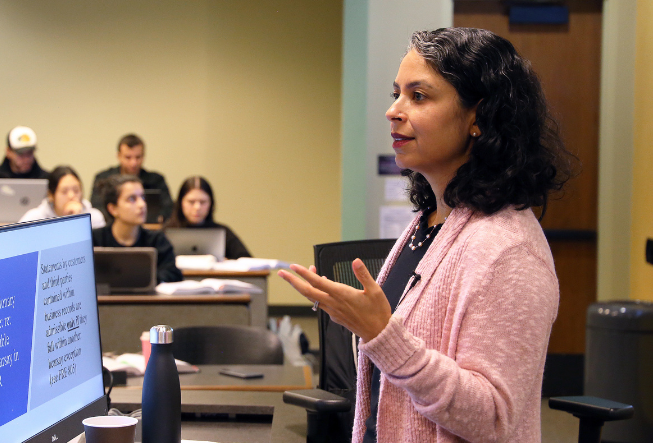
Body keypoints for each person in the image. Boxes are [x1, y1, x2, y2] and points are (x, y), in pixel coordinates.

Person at [279, 27, 572, 442]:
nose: (393, 111)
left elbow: (492, 418)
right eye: (396, 93)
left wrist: (383, 336)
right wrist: (359, 319)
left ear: (478, 117)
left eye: (418, 96)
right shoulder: (431, 221)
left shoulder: (510, 251)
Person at [92, 174, 182, 284]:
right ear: (113, 209)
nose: (142, 204)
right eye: (132, 199)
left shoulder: (157, 240)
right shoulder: (95, 240)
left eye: (143, 197)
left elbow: (173, 274)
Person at [90, 134, 173, 222]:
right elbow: (97, 207)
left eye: (138, 157)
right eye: (128, 157)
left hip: (148, 226)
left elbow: (168, 208)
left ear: (143, 156)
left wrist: (158, 218)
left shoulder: (156, 180)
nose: (133, 163)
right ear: (119, 156)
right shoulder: (104, 179)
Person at [165, 176, 251, 259]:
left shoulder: (222, 232)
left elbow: (246, 260)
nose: (197, 207)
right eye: (191, 202)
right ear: (180, 203)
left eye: (203, 202)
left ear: (211, 203)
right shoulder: (166, 233)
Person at [0, 126, 50, 221]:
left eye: (29, 153)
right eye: (21, 154)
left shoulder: (47, 178)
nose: (26, 159)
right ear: (8, 152)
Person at [19, 165, 106, 229]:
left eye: (76, 190)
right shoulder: (34, 218)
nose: (71, 196)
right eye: (64, 191)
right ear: (51, 195)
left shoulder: (94, 217)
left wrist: (77, 218)